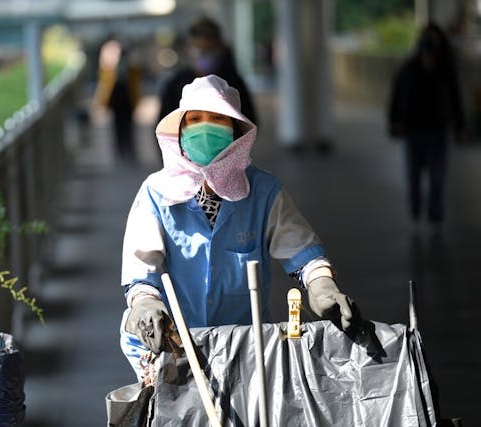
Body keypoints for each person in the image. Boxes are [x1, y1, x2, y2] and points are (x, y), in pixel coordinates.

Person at [119, 75, 360, 380]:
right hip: (174, 350)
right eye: (194, 119)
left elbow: (302, 252)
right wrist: (145, 303)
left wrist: (322, 286)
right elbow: (142, 273)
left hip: (247, 351)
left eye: (217, 119)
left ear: (235, 131)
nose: (204, 128)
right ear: (180, 130)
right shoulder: (155, 193)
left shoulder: (263, 191)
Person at [388, 22, 465, 231]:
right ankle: (416, 211)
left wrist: (460, 126)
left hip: (437, 130)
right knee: (414, 177)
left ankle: (435, 217)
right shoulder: (409, 69)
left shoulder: (445, 70)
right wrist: (394, 122)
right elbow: (397, 97)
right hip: (414, 131)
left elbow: (454, 99)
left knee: (437, 176)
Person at [157, 16, 257, 127]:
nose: (206, 56)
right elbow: (163, 127)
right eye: (200, 51)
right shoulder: (175, 85)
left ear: (220, 49)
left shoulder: (233, 83)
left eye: (211, 50)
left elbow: (250, 123)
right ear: (188, 49)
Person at [93, 35, 142, 161]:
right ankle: (120, 152)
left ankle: (129, 151)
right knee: (117, 127)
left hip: (127, 98)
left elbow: (136, 76)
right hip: (116, 98)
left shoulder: (130, 66)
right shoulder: (109, 66)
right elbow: (105, 82)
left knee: (129, 126)